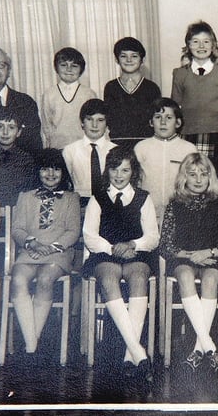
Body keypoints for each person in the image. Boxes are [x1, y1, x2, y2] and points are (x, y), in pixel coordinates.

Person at [82, 146, 159, 382]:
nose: (119, 175)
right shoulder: (98, 198)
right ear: (108, 171)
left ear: (132, 172)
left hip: (136, 254)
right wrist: (112, 248)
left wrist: (133, 245)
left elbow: (153, 237)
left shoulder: (144, 198)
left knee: (138, 277)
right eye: (114, 169)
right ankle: (138, 352)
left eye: (125, 170)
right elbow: (89, 236)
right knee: (108, 277)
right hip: (105, 254)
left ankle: (129, 355)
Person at [158, 153, 218, 376]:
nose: (198, 179)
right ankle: (210, 348)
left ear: (211, 177)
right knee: (185, 276)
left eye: (204, 174)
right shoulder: (174, 205)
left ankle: (198, 350)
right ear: (184, 178)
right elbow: (166, 246)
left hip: (212, 258)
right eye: (192, 174)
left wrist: (208, 252)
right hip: (183, 259)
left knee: (210, 279)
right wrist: (191, 255)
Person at [10, 149, 80, 365]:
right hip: (30, 250)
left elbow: (73, 232)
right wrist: (32, 243)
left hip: (58, 253)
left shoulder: (71, 198)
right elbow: (18, 229)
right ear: (37, 172)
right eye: (45, 168)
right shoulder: (25, 197)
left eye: (56, 169)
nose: (50, 173)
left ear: (63, 173)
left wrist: (51, 248)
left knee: (44, 280)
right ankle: (32, 344)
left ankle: (30, 346)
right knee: (18, 279)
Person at [171, 21, 218, 156]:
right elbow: (175, 109)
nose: (201, 46)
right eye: (195, 42)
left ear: (213, 45)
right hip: (188, 134)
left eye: (206, 42)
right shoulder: (179, 74)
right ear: (188, 46)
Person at [134, 97, 196, 222]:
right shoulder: (141, 147)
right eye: (158, 117)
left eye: (168, 118)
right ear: (151, 122)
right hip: (148, 212)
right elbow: (135, 182)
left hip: (180, 212)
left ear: (177, 123)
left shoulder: (189, 149)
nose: (163, 122)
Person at [104, 37, 161, 149]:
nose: (129, 60)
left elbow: (156, 120)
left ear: (142, 60)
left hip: (146, 145)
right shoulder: (111, 87)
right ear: (116, 60)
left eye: (134, 56)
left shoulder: (152, 88)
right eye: (123, 56)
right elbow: (109, 120)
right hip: (117, 145)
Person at [62, 99, 117, 207]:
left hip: (110, 204)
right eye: (89, 119)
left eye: (100, 120)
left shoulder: (115, 150)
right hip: (79, 203)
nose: (94, 125)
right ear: (82, 123)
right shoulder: (70, 151)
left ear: (107, 125)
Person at [40, 47, 97, 149]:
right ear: (56, 68)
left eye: (74, 66)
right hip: (58, 148)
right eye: (63, 65)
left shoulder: (88, 94)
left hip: (83, 148)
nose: (69, 69)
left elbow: (94, 121)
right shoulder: (49, 94)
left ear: (81, 70)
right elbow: (46, 125)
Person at [0, 108, 37, 207]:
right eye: (0, 126)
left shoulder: (27, 160)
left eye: (11, 127)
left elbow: (28, 193)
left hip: (17, 212)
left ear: (19, 132)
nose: (5, 132)